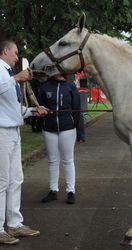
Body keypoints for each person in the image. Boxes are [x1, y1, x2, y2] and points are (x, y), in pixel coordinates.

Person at [0, 39, 49, 245]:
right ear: (5, 51)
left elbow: (11, 109)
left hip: (11, 131)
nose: (17, 57)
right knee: (1, 181)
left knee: (15, 179)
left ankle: (14, 224)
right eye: (16, 53)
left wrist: (32, 110)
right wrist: (17, 78)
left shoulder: (7, 75)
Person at [38, 74, 81, 204]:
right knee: (52, 161)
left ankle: (71, 191)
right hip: (49, 129)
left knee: (68, 160)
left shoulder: (70, 86)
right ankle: (53, 190)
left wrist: (80, 132)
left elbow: (77, 110)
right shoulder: (45, 87)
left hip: (67, 128)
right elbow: (40, 107)